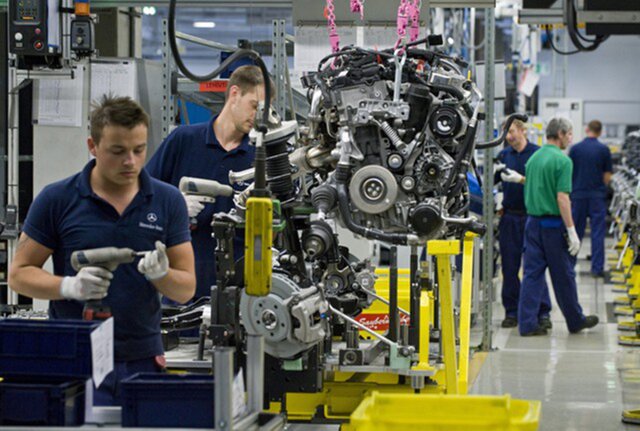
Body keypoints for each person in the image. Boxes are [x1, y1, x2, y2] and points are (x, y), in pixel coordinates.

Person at [8, 96, 196, 404]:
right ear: (92, 146)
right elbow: (18, 275)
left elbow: (186, 288)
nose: (130, 161)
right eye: (118, 151)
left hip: (141, 358)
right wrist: (69, 287)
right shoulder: (57, 199)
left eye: (139, 150)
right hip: (73, 357)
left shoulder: (167, 201)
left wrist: (162, 276)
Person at [146, 65, 269, 299]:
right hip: (183, 288)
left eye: (264, 110)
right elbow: (141, 199)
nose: (259, 116)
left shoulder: (260, 155)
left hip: (241, 291)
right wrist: (175, 207)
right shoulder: (183, 140)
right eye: (254, 106)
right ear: (234, 94)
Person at [518, 117, 599, 336]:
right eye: (569, 134)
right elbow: (562, 198)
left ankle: (527, 324)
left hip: (532, 224)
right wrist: (572, 230)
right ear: (560, 134)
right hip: (553, 226)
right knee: (564, 276)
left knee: (532, 275)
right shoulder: (563, 161)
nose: (571, 139)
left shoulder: (534, 158)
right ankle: (575, 321)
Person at [495, 119, 552, 330]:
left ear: (523, 130)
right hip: (509, 218)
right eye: (505, 133)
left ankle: (542, 312)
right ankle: (512, 312)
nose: (508, 137)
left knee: (534, 267)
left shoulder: (537, 154)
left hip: (531, 217)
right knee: (509, 268)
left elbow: (542, 185)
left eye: (511, 131)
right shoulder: (504, 156)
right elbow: (494, 185)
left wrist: (521, 179)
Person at [569, 120, 613, 277]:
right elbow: (607, 175)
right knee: (598, 233)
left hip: (578, 195)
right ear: (600, 132)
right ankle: (597, 268)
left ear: (587, 130)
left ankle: (570, 266)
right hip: (597, 197)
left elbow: (569, 172)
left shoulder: (575, 149)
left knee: (575, 233)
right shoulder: (604, 150)